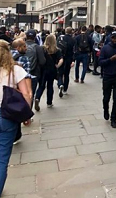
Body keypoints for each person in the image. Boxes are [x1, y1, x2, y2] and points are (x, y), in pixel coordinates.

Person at [0, 40, 32, 194]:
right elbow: (26, 93)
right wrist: (26, 116)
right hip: (7, 116)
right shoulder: (15, 70)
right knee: (2, 158)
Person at [34, 35, 63, 111]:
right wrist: (57, 66)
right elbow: (61, 60)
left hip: (43, 70)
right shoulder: (57, 50)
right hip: (52, 70)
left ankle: (37, 98)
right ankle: (49, 103)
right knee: (50, 86)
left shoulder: (42, 49)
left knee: (41, 86)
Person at [25, 29, 46, 105]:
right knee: (31, 93)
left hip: (21, 74)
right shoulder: (38, 48)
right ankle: (28, 114)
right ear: (34, 37)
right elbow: (42, 61)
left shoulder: (21, 46)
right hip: (34, 73)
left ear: (26, 36)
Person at [58, 27, 76, 97]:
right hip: (69, 58)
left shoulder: (61, 38)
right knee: (66, 74)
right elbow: (74, 51)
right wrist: (73, 60)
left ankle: (60, 84)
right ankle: (65, 89)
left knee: (60, 73)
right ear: (71, 32)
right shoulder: (73, 40)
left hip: (61, 58)